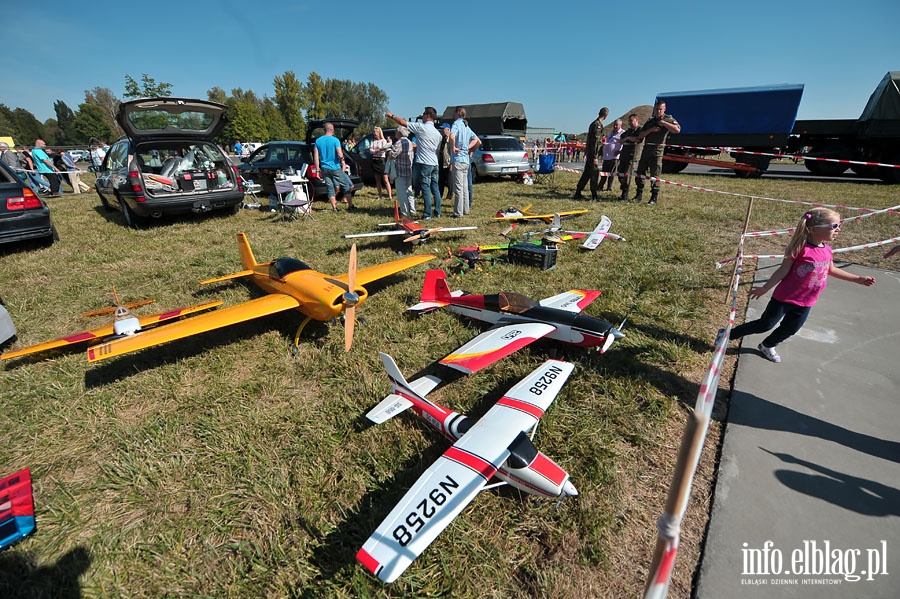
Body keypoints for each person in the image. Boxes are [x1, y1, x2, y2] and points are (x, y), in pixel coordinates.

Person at [729, 208, 876, 363]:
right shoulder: (799, 248)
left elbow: (831, 269)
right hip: (784, 298)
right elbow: (783, 270)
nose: (838, 229)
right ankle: (728, 335)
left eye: (839, 225)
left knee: (791, 328)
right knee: (765, 324)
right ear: (813, 229)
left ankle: (767, 345)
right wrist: (765, 288)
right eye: (834, 226)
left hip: (806, 301)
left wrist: (857, 279)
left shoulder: (827, 249)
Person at [386, 107, 442, 219]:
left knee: (425, 188)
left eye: (423, 114)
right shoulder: (438, 134)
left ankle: (427, 214)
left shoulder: (421, 127)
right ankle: (438, 211)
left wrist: (391, 116)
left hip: (424, 162)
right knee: (435, 188)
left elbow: (402, 122)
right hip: (435, 162)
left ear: (427, 116)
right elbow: (438, 150)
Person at [632, 100, 680, 205]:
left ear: (664, 109)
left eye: (660, 109)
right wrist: (651, 130)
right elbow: (640, 136)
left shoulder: (668, 119)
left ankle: (654, 197)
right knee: (640, 173)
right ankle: (638, 194)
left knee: (655, 175)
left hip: (657, 152)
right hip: (646, 151)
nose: (658, 111)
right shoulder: (650, 121)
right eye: (657, 109)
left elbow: (677, 130)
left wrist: (664, 123)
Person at [313, 122, 354, 212]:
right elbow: (340, 154)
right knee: (345, 185)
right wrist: (343, 162)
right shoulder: (335, 140)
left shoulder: (318, 141)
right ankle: (350, 205)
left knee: (330, 187)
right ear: (333, 131)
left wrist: (317, 170)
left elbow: (316, 156)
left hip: (324, 168)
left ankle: (334, 208)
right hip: (335, 167)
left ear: (324, 130)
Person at [448, 107, 481, 218]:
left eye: (454, 112)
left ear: (458, 113)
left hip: (457, 160)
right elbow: (477, 140)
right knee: (465, 187)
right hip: (466, 161)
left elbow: (451, 136)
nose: (453, 114)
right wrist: (468, 149)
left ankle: (458, 212)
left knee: (458, 188)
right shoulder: (466, 125)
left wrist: (453, 147)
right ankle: (466, 209)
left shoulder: (456, 124)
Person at [573, 107, 608, 200]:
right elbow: (595, 142)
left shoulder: (594, 123)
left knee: (587, 174)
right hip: (593, 154)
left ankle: (578, 191)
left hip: (590, 154)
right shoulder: (598, 125)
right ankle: (594, 195)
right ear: (606, 115)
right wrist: (595, 156)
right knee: (594, 174)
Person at [617, 114, 643, 201]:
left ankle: (625, 194)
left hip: (633, 156)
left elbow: (638, 139)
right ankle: (623, 190)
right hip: (624, 155)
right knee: (620, 175)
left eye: (631, 121)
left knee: (626, 175)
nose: (630, 123)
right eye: (629, 121)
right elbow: (621, 140)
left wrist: (628, 138)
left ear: (636, 120)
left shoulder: (640, 130)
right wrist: (625, 138)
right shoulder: (627, 132)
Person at [391, 126, 416, 218]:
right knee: (409, 191)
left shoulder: (399, 143)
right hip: (409, 170)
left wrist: (389, 149)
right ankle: (412, 209)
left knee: (401, 192)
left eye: (396, 131)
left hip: (400, 171)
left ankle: (405, 212)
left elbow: (392, 155)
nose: (395, 133)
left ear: (400, 133)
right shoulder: (410, 142)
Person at [599, 118, 624, 194]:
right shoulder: (611, 133)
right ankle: (600, 186)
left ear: (620, 125)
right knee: (604, 173)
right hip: (606, 157)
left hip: (614, 157)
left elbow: (624, 144)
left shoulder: (623, 133)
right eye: (614, 125)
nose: (615, 126)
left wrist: (620, 151)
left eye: (617, 125)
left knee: (611, 174)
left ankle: (609, 187)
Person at [370, 126, 392, 201]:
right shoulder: (373, 141)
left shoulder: (383, 141)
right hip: (374, 160)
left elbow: (384, 149)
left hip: (381, 160)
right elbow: (371, 151)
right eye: (374, 132)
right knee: (377, 179)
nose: (374, 134)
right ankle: (380, 195)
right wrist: (377, 150)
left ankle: (390, 196)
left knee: (385, 179)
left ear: (379, 132)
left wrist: (376, 150)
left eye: (375, 132)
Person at [438, 123, 452, 201]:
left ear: (448, 130)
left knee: (449, 180)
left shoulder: (451, 139)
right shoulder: (442, 139)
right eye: (442, 129)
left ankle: (449, 196)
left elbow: (451, 152)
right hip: (441, 161)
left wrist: (451, 164)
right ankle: (440, 194)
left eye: (444, 129)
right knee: (441, 180)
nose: (442, 130)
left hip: (448, 162)